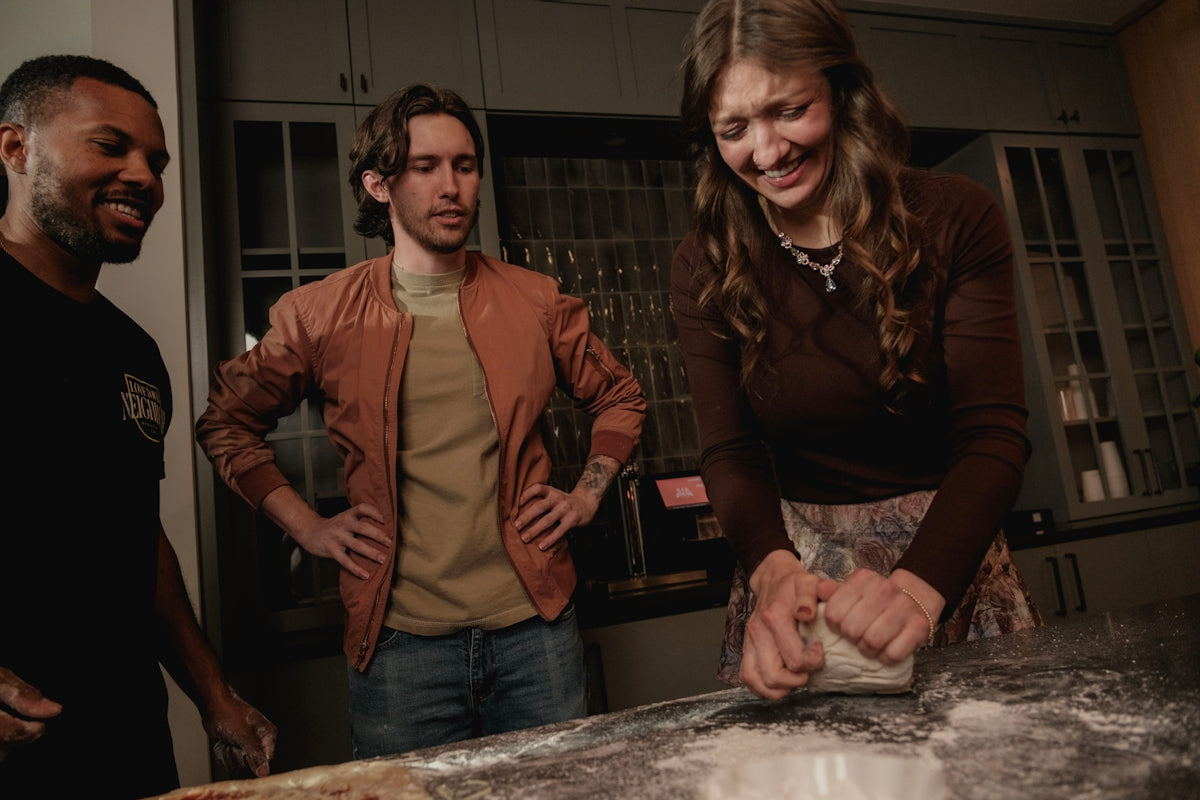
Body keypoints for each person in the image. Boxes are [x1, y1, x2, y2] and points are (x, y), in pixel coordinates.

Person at [195, 84, 645, 757]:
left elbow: (620, 397)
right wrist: (308, 527)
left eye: (464, 166)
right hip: (402, 649)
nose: (452, 186)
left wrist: (586, 496)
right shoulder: (322, 314)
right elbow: (226, 423)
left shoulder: (535, 301)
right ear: (378, 184)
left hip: (536, 633)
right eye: (426, 166)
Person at [670, 0, 1043, 701]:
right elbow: (731, 450)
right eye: (734, 128)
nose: (768, 151)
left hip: (948, 552)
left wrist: (921, 586)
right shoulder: (704, 263)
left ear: (842, 92)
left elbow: (993, 435)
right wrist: (774, 571)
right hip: (797, 573)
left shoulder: (957, 217)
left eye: (789, 110)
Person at [0, 55, 277, 797]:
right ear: (16, 149)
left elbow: (133, 529)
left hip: (126, 741)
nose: (145, 177)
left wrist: (211, 693)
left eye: (155, 161)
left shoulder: (134, 353)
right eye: (110, 145)